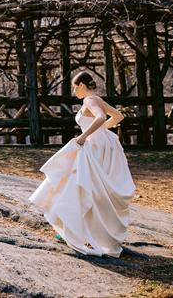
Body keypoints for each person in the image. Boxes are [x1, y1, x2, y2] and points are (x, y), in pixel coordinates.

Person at [29, 71, 135, 257]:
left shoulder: (89, 100)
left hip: (94, 145)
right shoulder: (97, 99)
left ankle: (72, 228)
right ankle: (80, 228)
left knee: (78, 184)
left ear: (82, 85)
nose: (74, 91)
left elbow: (101, 118)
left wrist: (84, 136)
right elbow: (118, 117)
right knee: (92, 187)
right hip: (106, 144)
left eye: (75, 87)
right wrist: (100, 131)